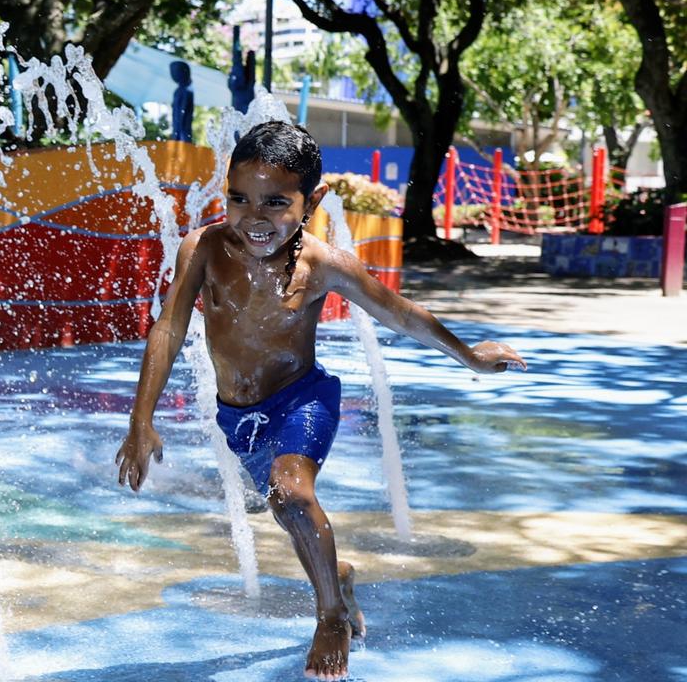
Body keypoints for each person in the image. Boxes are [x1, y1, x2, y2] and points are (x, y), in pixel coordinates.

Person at [114, 121, 525, 680]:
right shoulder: (205, 248)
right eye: (239, 198)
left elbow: (400, 313)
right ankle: (342, 574)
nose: (254, 216)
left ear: (315, 201)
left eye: (276, 202)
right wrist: (142, 418)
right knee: (289, 510)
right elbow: (167, 327)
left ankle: (330, 615)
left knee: (290, 493)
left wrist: (469, 356)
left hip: (302, 400)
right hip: (240, 420)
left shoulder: (322, 263)